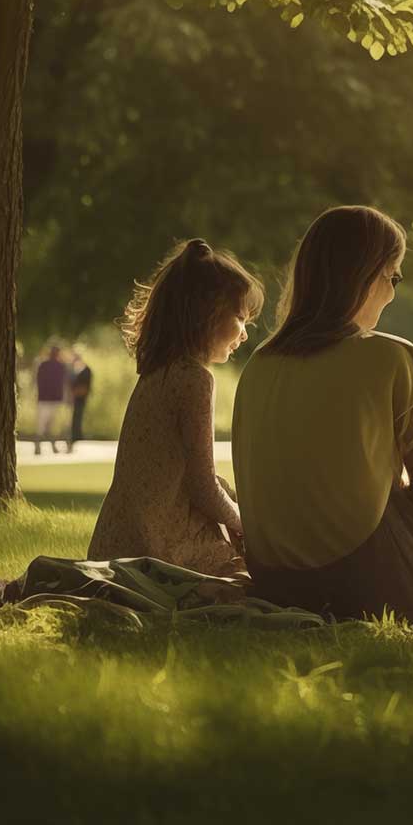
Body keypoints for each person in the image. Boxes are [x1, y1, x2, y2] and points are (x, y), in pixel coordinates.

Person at [232, 205, 413, 629]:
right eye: (394, 277)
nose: (392, 293)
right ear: (368, 275)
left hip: (276, 583)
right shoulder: (389, 356)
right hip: (367, 580)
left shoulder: (258, 366)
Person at [87, 240, 263, 576]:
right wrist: (250, 526)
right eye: (240, 318)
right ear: (208, 313)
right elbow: (203, 486)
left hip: (115, 540)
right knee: (257, 577)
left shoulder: (158, 372)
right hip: (154, 548)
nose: (243, 335)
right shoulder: (195, 379)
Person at [32, 345, 69, 455]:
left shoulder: (46, 365)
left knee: (46, 424)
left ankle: (46, 446)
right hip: (50, 398)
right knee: (47, 424)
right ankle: (42, 446)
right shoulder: (58, 366)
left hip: (48, 398)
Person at [67, 348, 94, 452]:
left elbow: (85, 384)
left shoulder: (85, 370)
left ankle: (76, 436)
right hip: (76, 396)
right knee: (76, 416)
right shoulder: (76, 369)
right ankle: (75, 435)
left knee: (77, 415)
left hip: (81, 396)